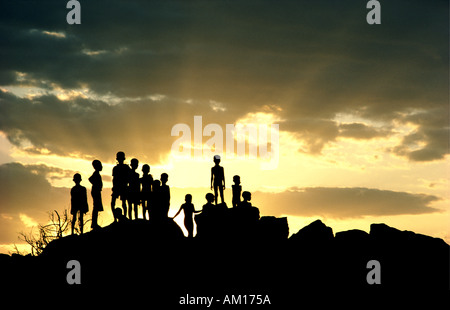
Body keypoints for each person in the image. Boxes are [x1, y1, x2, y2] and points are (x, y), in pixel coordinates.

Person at [111, 151, 130, 221]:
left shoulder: (126, 167)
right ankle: (115, 218)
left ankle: (123, 217)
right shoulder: (116, 168)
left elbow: (128, 178)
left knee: (123, 202)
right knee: (114, 202)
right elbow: (114, 179)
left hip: (123, 186)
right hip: (118, 186)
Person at [88, 159, 103, 230]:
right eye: (100, 165)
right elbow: (90, 179)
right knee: (96, 207)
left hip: (96, 191)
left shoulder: (97, 173)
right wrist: (96, 185)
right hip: (95, 191)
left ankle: (94, 223)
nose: (101, 167)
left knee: (96, 207)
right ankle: (94, 224)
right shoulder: (96, 173)